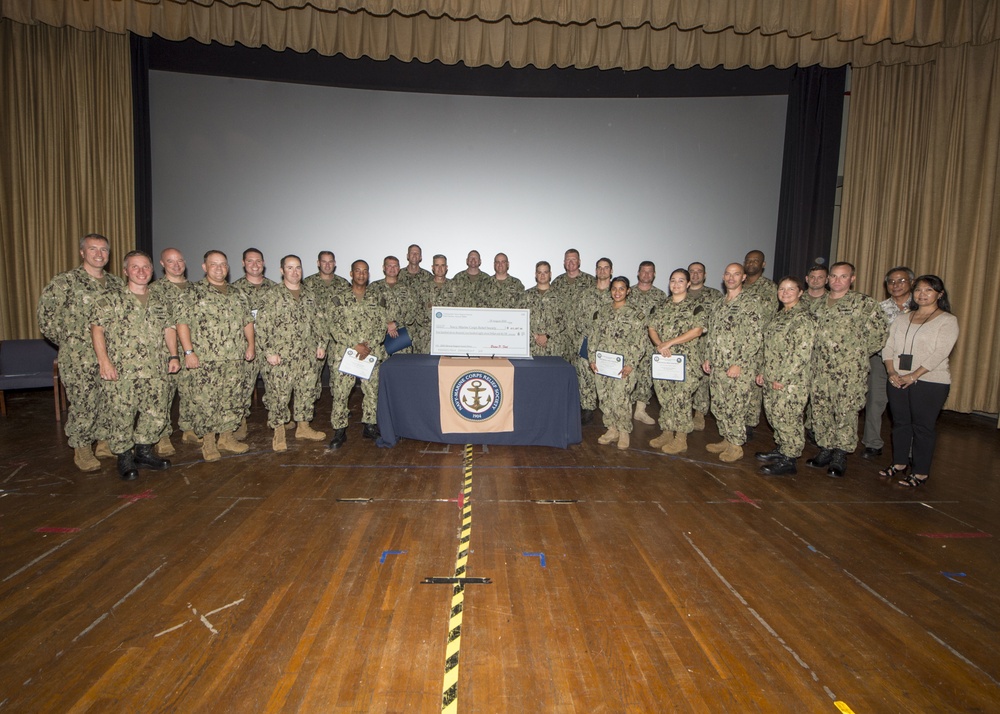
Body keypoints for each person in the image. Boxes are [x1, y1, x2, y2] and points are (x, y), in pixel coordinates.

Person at [37, 233, 124, 472]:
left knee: (110, 399)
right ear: (82, 253)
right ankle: (82, 447)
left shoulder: (117, 284)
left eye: (104, 249)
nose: (99, 254)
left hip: (113, 355)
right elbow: (46, 318)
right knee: (84, 402)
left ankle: (104, 442)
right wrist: (71, 342)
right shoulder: (65, 282)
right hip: (79, 357)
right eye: (93, 249)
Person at [90, 251, 178, 480]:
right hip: (122, 370)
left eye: (145, 267)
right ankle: (124, 456)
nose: (141, 271)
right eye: (135, 267)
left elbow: (169, 329)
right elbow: (97, 329)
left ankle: (144, 451)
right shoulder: (110, 299)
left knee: (156, 412)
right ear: (125, 271)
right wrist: (104, 361)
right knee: (121, 414)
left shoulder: (160, 300)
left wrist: (173, 356)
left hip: (156, 368)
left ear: (152, 269)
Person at [806, 262, 887, 477]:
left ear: (852, 279)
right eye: (833, 276)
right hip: (819, 369)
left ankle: (840, 454)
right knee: (821, 410)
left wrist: (854, 355)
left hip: (849, 371)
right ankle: (825, 448)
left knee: (845, 412)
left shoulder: (864, 304)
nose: (837, 280)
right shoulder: (817, 305)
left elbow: (879, 335)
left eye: (843, 276)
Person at [175, 250, 256, 461]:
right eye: (214, 264)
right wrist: (189, 352)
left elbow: (247, 322)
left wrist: (251, 345)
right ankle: (209, 442)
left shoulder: (238, 293)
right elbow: (182, 323)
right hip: (205, 358)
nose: (219, 268)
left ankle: (227, 438)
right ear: (204, 267)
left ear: (228, 268)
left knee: (232, 399)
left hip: (234, 357)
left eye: (223, 264)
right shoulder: (192, 292)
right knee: (206, 402)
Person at [879, 275, 958, 487]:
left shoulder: (947, 320)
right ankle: (899, 463)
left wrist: (913, 376)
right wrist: (891, 371)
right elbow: (888, 345)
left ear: (939, 294)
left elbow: (940, 353)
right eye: (918, 290)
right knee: (900, 423)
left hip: (931, 381)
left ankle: (921, 472)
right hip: (897, 378)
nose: (922, 294)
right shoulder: (903, 318)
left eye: (928, 290)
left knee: (923, 427)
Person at [254, 255, 328, 452]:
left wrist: (321, 344)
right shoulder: (272, 295)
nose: (294, 272)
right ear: (281, 271)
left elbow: (319, 322)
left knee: (306, 392)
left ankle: (303, 427)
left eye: (298, 268)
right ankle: (279, 432)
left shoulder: (310, 294)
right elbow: (262, 326)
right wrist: (269, 352)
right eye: (290, 268)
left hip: (307, 355)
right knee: (279, 395)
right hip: (281, 356)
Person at [701, 263, 766, 462]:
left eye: (736, 274)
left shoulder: (750, 302)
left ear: (743, 277)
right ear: (723, 276)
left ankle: (736, 445)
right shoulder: (719, 304)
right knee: (720, 405)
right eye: (728, 274)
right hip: (718, 364)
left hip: (738, 366)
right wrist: (708, 357)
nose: (731, 278)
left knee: (735, 406)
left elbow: (754, 337)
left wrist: (739, 362)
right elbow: (713, 334)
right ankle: (727, 438)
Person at [754, 277, 816, 475]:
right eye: (782, 289)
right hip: (773, 376)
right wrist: (764, 371)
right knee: (775, 416)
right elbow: (770, 348)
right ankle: (782, 448)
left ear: (800, 292)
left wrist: (784, 378)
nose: (785, 292)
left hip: (791, 381)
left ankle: (790, 458)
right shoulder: (779, 315)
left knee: (788, 417)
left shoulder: (803, 317)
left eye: (791, 289)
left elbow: (801, 354)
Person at [327, 260, 389, 449]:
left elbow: (382, 325)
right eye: (358, 271)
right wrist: (354, 345)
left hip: (370, 353)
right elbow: (333, 325)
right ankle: (339, 430)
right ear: (351, 273)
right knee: (341, 393)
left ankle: (369, 425)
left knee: (372, 392)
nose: (361, 274)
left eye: (364, 271)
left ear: (368, 274)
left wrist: (367, 345)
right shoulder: (338, 298)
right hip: (346, 353)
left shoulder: (378, 298)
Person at [647, 269, 706, 455]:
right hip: (663, 360)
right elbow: (652, 328)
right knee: (665, 397)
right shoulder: (661, 305)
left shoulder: (696, 306)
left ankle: (681, 438)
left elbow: (697, 331)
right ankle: (666, 432)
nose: (676, 284)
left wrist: (669, 343)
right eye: (673, 280)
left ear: (688, 284)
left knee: (681, 399)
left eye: (681, 281)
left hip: (685, 362)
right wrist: (659, 345)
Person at [861, 266, 914, 459]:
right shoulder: (879, 308)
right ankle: (872, 443)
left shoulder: (921, 307)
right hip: (880, 360)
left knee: (907, 406)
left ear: (911, 283)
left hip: (910, 363)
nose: (895, 285)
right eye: (891, 281)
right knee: (875, 401)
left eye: (901, 281)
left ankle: (908, 448)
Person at [589, 277, 647, 450]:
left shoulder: (636, 314)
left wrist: (631, 363)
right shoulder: (603, 311)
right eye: (614, 288)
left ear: (628, 291)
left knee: (621, 398)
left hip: (623, 365)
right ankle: (612, 429)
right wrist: (592, 359)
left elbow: (640, 341)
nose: (617, 292)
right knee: (605, 397)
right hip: (603, 364)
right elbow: (593, 337)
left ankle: (623, 432)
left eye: (622, 289)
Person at [148, 247, 196, 455]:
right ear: (162, 264)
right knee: (163, 395)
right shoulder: (154, 290)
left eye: (179, 260)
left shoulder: (196, 289)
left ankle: (189, 428)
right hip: (165, 353)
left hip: (195, 350)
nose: (176, 265)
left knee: (191, 392)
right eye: (170, 261)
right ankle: (163, 436)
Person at [232, 248, 277, 438]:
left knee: (276, 385)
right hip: (245, 347)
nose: (255, 265)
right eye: (250, 261)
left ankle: (278, 419)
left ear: (264, 263)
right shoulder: (234, 290)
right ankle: (239, 422)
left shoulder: (275, 289)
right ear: (243, 263)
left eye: (258, 261)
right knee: (243, 387)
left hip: (270, 347)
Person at [553, 249, 597, 424]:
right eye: (567, 260)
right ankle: (566, 405)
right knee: (563, 372)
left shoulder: (589, 282)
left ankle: (587, 408)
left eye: (573, 259)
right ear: (564, 263)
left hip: (582, 336)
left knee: (585, 373)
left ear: (579, 261)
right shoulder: (557, 282)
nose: (570, 263)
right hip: (562, 337)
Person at [628, 261, 668, 426]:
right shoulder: (628, 292)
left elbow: (664, 321)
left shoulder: (660, 296)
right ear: (638, 273)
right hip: (630, 343)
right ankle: (625, 408)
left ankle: (640, 410)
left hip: (651, 344)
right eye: (643, 271)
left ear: (654, 274)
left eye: (649, 272)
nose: (646, 274)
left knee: (645, 377)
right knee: (628, 375)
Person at [575, 257, 614, 425]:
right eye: (599, 268)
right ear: (596, 270)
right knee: (585, 377)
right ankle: (588, 409)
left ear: (611, 271)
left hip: (609, 344)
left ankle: (610, 415)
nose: (602, 271)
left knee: (607, 380)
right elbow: (578, 317)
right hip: (588, 341)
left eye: (606, 268)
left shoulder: (616, 293)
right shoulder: (586, 294)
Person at [686, 261, 722, 431]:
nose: (695, 274)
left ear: (705, 275)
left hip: (704, 344)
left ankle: (699, 413)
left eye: (699, 271)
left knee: (702, 379)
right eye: (692, 271)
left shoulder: (714, 296)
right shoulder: (679, 293)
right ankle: (683, 413)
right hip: (683, 345)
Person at [367, 255, 417, 355]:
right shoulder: (373, 288)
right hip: (380, 338)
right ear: (383, 267)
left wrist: (395, 324)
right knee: (381, 369)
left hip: (401, 338)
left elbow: (413, 311)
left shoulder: (408, 289)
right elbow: (369, 311)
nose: (392, 269)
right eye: (389, 266)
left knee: (401, 368)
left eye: (395, 266)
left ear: (399, 268)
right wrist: (386, 325)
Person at [411, 254, 458, 353]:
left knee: (446, 367)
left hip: (448, 337)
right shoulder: (422, 287)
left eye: (442, 265)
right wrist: (433, 325)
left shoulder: (454, 287)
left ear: (446, 267)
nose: (440, 269)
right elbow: (415, 310)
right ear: (432, 268)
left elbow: (459, 310)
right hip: (426, 338)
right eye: (437, 265)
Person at [520, 261, 565, 357]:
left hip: (553, 347)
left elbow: (564, 320)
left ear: (550, 274)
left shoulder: (560, 296)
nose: (542, 275)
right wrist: (535, 336)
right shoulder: (526, 295)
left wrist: (547, 335)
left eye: (545, 272)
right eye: (539, 272)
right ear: (536, 274)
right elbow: (520, 319)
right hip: (531, 346)